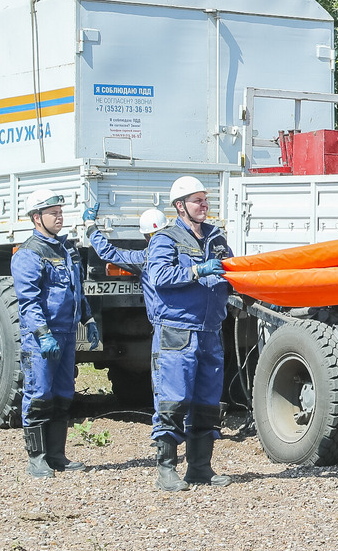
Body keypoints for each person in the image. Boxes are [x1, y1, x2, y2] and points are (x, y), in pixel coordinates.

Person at [145, 176, 233, 491]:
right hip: (177, 332)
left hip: (210, 330)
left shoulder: (216, 238)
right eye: (197, 201)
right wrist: (196, 270)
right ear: (180, 206)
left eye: (206, 200)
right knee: (173, 400)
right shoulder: (166, 238)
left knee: (207, 401)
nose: (204, 205)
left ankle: (200, 468)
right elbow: (159, 276)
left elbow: (232, 271)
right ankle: (166, 471)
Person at [11, 188, 101, 478]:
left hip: (66, 333)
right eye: (53, 212)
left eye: (61, 211)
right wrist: (42, 333)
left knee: (63, 394)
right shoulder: (29, 254)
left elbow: (77, 289)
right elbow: (29, 300)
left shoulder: (65, 249)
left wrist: (88, 319)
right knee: (39, 395)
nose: (59, 216)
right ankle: (36, 458)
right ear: (37, 218)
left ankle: (57, 455)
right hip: (42, 338)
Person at [84, 205, 168, 322]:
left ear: (146, 237)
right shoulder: (185, 254)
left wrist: (90, 226)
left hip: (164, 324)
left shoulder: (143, 259)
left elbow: (108, 252)